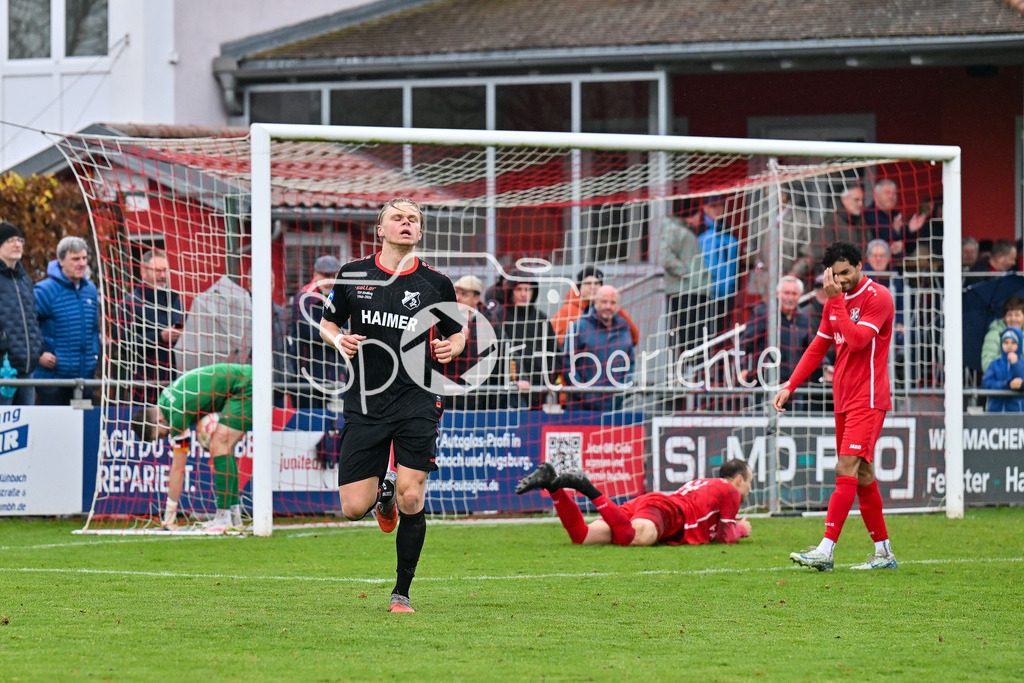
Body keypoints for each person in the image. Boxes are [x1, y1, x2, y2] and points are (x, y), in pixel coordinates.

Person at [319, 197, 465, 613]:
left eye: (413, 220)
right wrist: (338, 339)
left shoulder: (437, 282)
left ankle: (401, 592)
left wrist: (451, 347)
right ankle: (382, 496)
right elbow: (329, 324)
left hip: (418, 396)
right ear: (379, 230)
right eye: (397, 218)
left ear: (419, 233)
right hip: (365, 399)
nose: (406, 223)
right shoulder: (352, 274)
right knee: (352, 508)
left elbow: (458, 333)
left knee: (413, 496)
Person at [773, 241, 897, 571]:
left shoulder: (878, 297)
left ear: (860, 266)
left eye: (846, 272)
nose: (841, 279)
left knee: (845, 469)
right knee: (865, 475)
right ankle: (884, 553)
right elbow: (817, 348)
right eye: (835, 274)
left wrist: (837, 302)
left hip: (868, 399)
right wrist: (790, 385)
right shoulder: (834, 303)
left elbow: (857, 341)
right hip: (842, 399)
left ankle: (826, 550)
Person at [514, 458, 752, 546]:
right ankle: (586, 487)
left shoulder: (709, 485)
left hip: (653, 504)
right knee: (634, 537)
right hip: (669, 512)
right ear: (739, 480)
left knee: (582, 536)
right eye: (750, 482)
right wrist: (742, 528)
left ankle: (551, 485)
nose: (749, 489)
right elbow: (726, 536)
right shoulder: (729, 490)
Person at [130, 363, 252, 532]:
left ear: (158, 421)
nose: (164, 438)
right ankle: (234, 517)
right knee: (225, 449)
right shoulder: (165, 399)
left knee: (219, 446)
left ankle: (223, 519)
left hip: (245, 386)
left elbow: (178, 468)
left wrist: (169, 518)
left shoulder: (176, 416)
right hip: (243, 382)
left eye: (159, 435)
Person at [33, 235, 101, 405]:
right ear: (61, 261)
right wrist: (38, 354)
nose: (82, 263)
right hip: (53, 382)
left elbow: (94, 329)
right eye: (75, 259)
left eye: (84, 258)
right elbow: (26, 327)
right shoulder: (44, 290)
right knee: (53, 430)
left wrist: (95, 355)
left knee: (82, 429)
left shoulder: (90, 290)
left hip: (84, 380)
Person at [119, 250, 184, 404]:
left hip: (174, 383)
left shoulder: (175, 301)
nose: (163, 276)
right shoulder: (129, 304)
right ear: (143, 272)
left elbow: (184, 326)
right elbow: (124, 342)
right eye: (157, 271)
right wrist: (160, 337)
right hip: (142, 387)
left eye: (165, 271)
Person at [562, 285, 634, 411]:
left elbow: (630, 363)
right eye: (604, 302)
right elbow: (566, 363)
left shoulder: (624, 329)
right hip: (580, 409)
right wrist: (583, 393)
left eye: (612, 303)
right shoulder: (577, 328)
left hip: (613, 408)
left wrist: (621, 393)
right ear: (595, 302)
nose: (608, 307)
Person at [739, 275, 815, 389]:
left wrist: (826, 367)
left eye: (794, 294)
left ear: (800, 295)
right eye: (786, 293)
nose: (790, 297)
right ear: (778, 293)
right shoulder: (763, 313)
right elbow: (745, 343)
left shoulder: (804, 318)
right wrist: (742, 368)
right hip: (766, 384)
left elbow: (812, 348)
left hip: (794, 385)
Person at [291, 254, 346, 409]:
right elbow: (311, 333)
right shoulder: (303, 299)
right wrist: (341, 337)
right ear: (315, 275)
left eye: (333, 275)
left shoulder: (339, 297)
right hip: (306, 376)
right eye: (325, 275)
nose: (329, 280)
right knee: (308, 424)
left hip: (333, 374)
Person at [660, 199, 712, 358]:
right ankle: (690, 372)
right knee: (691, 337)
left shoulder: (680, 230)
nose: (700, 219)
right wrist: (688, 272)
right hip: (686, 292)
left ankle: (695, 373)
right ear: (690, 214)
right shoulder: (673, 229)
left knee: (698, 336)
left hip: (694, 291)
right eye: (698, 215)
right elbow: (665, 257)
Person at [0, 222, 44, 406]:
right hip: (4, 368)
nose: (18, 244)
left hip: (27, 367)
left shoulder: (24, 278)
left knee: (26, 427)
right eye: (11, 240)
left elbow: (31, 318)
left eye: (20, 240)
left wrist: (37, 347)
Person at [500, 271, 557, 410]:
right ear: (511, 292)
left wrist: (549, 380)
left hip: (537, 389)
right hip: (505, 390)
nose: (524, 294)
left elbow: (554, 352)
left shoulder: (542, 319)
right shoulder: (500, 317)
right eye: (519, 289)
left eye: (528, 289)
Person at [444, 274, 499, 410]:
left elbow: (505, 350)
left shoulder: (490, 321)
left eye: (464, 294)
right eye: (456, 292)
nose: (458, 298)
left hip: (479, 398)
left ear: (476, 298)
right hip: (446, 394)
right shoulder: (442, 316)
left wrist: (522, 379)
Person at [550, 266, 639, 347]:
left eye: (596, 283)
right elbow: (557, 343)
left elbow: (634, 338)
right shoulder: (567, 311)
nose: (592, 287)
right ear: (579, 287)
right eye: (588, 283)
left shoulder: (611, 310)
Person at [697, 195, 740, 336]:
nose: (718, 210)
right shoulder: (699, 232)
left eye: (720, 205)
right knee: (704, 335)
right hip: (705, 295)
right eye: (713, 206)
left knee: (723, 335)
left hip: (727, 293)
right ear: (704, 208)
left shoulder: (729, 231)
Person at [809, 185, 868, 274]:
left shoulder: (862, 221)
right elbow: (820, 251)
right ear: (845, 200)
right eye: (856, 200)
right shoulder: (830, 220)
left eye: (862, 200)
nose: (860, 204)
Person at [981, 327, 1024, 412]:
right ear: (1001, 344)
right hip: (995, 412)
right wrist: (1007, 385)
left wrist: (1015, 364)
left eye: (1013, 342)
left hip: (1017, 414)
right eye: (1005, 342)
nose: (1009, 345)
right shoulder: (995, 364)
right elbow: (987, 384)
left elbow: (1021, 379)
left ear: (1019, 345)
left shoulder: (1021, 363)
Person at [980, 296, 1024, 373]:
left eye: (1017, 315)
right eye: (1009, 315)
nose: (1013, 319)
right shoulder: (994, 335)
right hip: (1003, 382)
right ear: (1004, 317)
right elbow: (986, 365)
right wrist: (1007, 358)